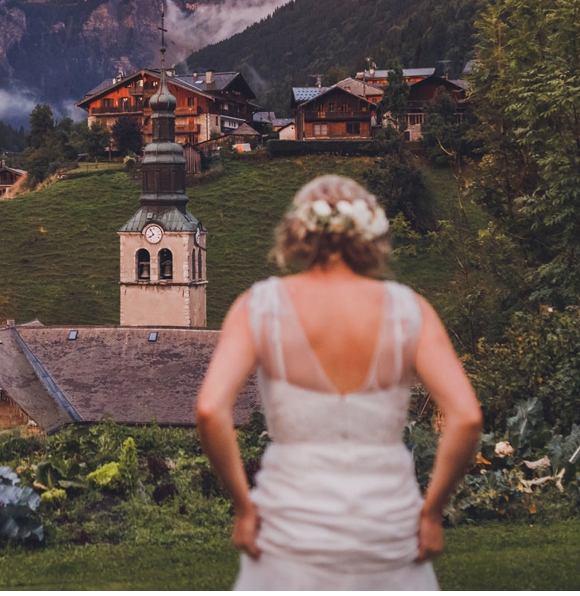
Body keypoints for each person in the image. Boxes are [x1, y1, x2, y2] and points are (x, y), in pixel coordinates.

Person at [196, 174, 482, 590]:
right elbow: (467, 418)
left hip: (290, 527)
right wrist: (432, 513)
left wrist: (243, 508)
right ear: (369, 234)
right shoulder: (408, 309)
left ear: (298, 231)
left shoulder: (259, 306)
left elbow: (209, 410)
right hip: (386, 527)